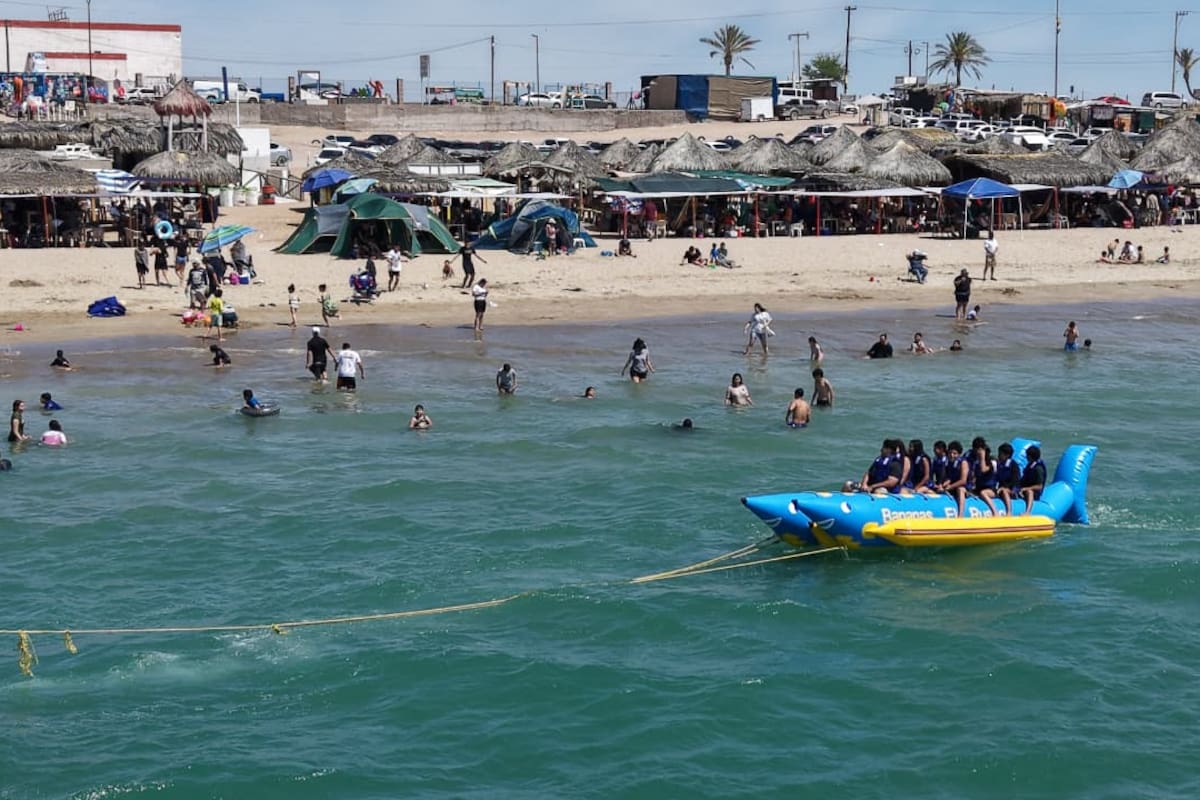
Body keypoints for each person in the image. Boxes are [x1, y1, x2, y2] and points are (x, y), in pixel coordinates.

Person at [938, 440, 972, 516]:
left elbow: (963, 481)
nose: (952, 455)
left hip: (965, 488)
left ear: (959, 454)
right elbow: (946, 477)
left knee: (960, 490)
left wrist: (950, 487)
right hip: (952, 486)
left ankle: (960, 515)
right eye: (950, 453)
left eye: (954, 453)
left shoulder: (963, 463)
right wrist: (941, 485)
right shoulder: (947, 462)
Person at [971, 441, 1000, 515]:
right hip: (979, 488)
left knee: (983, 493)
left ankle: (995, 512)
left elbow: (983, 470)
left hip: (991, 490)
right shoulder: (977, 462)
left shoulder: (992, 462)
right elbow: (974, 476)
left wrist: (982, 457)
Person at [1018, 444, 1047, 515]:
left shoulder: (1038, 469)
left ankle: (1027, 512)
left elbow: (1039, 486)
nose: (1026, 457)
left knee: (1029, 491)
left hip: (1034, 493)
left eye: (1027, 455)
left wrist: (1025, 489)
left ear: (1030, 456)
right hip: (1023, 490)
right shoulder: (1030, 466)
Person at [994, 442, 1020, 516]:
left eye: (1000, 454)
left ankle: (1009, 512)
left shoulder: (1013, 465)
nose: (998, 455)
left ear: (1007, 455)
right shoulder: (999, 464)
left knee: (1004, 491)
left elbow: (1016, 480)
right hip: (1000, 489)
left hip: (1012, 490)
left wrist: (1008, 489)